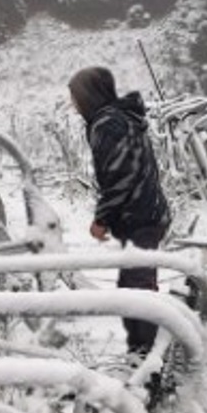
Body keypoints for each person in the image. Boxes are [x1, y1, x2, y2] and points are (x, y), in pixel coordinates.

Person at [69, 66, 172, 359]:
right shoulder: (120, 116)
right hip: (146, 214)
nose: (73, 104)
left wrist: (102, 218)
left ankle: (147, 361)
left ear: (89, 96)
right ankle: (142, 357)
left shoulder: (107, 123)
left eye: (75, 96)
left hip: (140, 217)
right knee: (135, 287)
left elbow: (119, 176)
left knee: (137, 291)